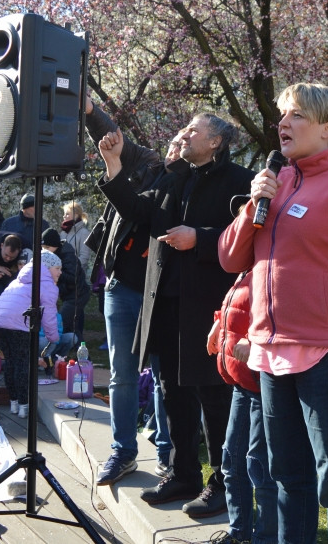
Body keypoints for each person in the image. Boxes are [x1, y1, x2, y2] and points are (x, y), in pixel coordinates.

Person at [219, 82, 328, 543]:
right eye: (282, 115)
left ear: (327, 128)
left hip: (326, 361)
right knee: (287, 478)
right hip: (271, 356)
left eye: (295, 116)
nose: (283, 124)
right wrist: (255, 200)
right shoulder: (278, 181)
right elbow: (231, 259)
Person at [98, 109, 252, 518]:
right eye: (183, 128)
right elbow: (137, 211)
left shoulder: (239, 182)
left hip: (208, 307)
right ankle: (184, 474)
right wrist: (113, 165)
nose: (183, 135)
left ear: (216, 142)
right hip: (164, 303)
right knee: (173, 393)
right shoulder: (174, 176)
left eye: (192, 130)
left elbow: (249, 239)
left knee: (213, 396)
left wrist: (199, 238)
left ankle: (223, 482)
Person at [82, 97, 174, 487]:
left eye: (190, 138)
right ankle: (123, 450)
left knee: (164, 374)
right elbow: (113, 138)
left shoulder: (190, 185)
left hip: (163, 291)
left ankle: (168, 454)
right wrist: (88, 110)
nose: (180, 143)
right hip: (122, 287)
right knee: (121, 374)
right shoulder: (146, 162)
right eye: (177, 138)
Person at [205, 270, 276, 544]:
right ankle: (238, 535)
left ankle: (266, 537)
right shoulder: (246, 266)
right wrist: (218, 324)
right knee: (231, 463)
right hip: (241, 384)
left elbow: (274, 311)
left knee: (260, 468)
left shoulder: (269, 260)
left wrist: (253, 338)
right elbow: (237, 306)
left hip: (261, 386)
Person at [0, 250, 62, 419]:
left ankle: (14, 402)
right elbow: (49, 314)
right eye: (57, 268)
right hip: (17, 322)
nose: (60, 272)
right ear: (47, 267)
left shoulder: (21, 279)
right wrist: (53, 337)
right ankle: (24, 405)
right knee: (23, 363)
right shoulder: (47, 284)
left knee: (11, 361)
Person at [41, 228, 90, 344]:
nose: (45, 251)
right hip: (68, 295)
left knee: (62, 322)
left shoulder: (67, 256)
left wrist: (54, 272)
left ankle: (83, 356)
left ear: (55, 245)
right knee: (71, 326)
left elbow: (73, 278)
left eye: (48, 248)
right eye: (43, 247)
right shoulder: (54, 255)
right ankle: (78, 354)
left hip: (77, 294)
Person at [60, 201, 92, 275]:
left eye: (67, 214)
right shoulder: (63, 232)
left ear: (75, 215)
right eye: (64, 214)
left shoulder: (84, 233)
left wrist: (71, 268)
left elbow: (84, 257)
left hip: (76, 274)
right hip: (62, 273)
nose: (64, 216)